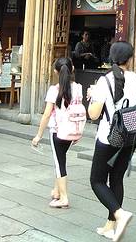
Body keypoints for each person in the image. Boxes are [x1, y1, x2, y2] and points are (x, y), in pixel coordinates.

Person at [88, 41, 136, 242]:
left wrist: (92, 97)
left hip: (108, 137)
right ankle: (110, 227)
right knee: (117, 179)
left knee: (97, 181)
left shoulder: (105, 81)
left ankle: (120, 214)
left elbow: (94, 114)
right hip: (130, 137)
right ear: (130, 58)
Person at [31, 57, 83, 208]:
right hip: (73, 130)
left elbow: (47, 114)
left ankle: (64, 198)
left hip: (57, 131)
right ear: (72, 69)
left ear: (55, 71)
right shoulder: (78, 88)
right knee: (61, 159)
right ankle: (56, 191)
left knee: (59, 164)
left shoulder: (54, 90)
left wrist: (38, 135)